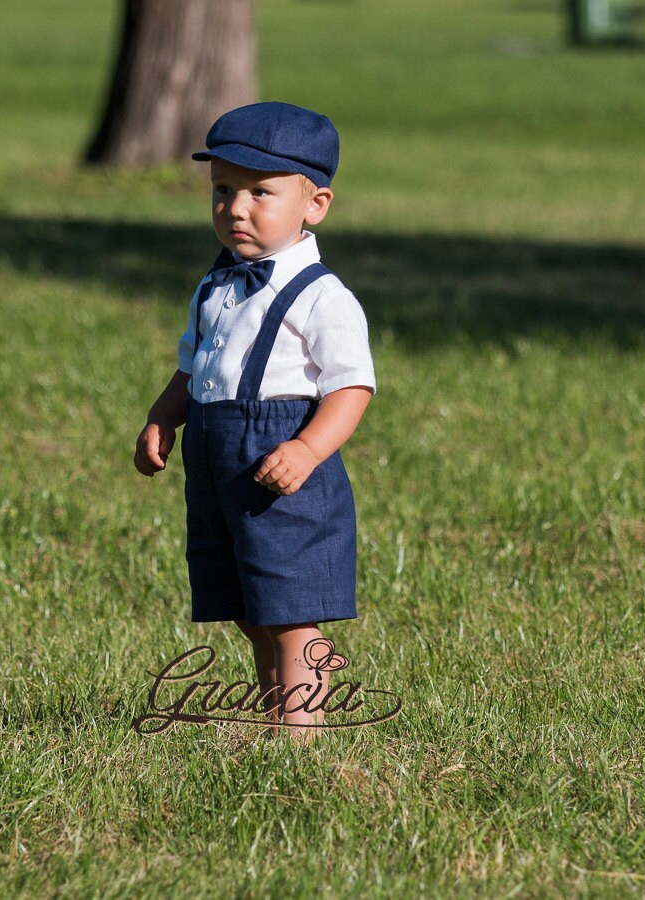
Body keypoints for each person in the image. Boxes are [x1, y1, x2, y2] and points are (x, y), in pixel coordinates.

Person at [134, 101, 375, 744]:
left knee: (290, 607)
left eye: (259, 193)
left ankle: (301, 736)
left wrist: (308, 449)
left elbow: (351, 387)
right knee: (244, 601)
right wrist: (164, 415)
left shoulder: (323, 297)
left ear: (314, 205)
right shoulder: (216, 286)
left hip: (282, 464)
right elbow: (194, 366)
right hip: (218, 462)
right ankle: (273, 713)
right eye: (222, 191)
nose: (235, 209)